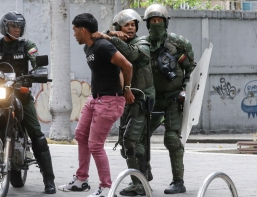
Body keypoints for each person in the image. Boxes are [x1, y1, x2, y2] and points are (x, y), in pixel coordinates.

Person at [0, 11, 56, 194]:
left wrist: (38, 71)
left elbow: (35, 61)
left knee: (36, 135)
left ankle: (49, 180)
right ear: (5, 27)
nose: (17, 30)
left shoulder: (26, 46)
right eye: (14, 26)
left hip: (20, 94)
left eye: (20, 27)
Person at [58, 13, 133, 197]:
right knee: (81, 135)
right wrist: (108, 33)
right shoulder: (90, 46)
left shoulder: (102, 46)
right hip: (95, 99)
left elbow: (127, 66)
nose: (74, 34)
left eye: (75, 30)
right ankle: (81, 180)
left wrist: (127, 89)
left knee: (95, 145)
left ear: (83, 30)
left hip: (110, 100)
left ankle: (106, 188)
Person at [92, 9, 155, 196]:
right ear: (118, 27)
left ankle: (140, 183)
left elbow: (133, 55)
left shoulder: (142, 43)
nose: (131, 28)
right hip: (125, 99)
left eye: (133, 24)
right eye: (126, 25)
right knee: (126, 144)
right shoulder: (114, 42)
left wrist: (113, 37)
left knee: (132, 141)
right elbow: (97, 42)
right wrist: (110, 34)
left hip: (142, 99)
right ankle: (143, 175)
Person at [144, 4, 196, 194]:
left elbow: (191, 70)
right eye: (152, 21)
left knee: (172, 139)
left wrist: (185, 91)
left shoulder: (178, 44)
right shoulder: (143, 45)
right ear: (147, 24)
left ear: (165, 23)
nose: (156, 24)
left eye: (159, 21)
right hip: (152, 98)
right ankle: (143, 173)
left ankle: (178, 181)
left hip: (174, 98)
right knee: (141, 137)